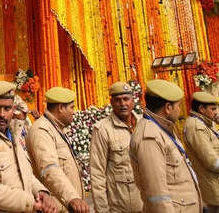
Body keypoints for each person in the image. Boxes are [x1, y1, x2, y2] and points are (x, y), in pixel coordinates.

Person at [0, 80, 60, 213]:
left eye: (7, 108)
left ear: (13, 109)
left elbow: (25, 174)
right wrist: (30, 203)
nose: (2, 114)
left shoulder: (13, 133)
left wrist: (42, 192)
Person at [130, 79, 201, 212]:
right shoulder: (149, 137)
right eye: (179, 106)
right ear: (168, 108)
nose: (180, 111)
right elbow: (158, 195)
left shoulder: (163, 128)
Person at [26, 87, 89, 213]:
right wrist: (71, 197)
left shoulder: (55, 128)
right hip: (56, 208)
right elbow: (49, 169)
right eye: (72, 107)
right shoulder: (42, 131)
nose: (74, 112)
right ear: (60, 108)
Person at [90, 81, 143, 213]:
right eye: (118, 100)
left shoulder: (144, 124)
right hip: (121, 207)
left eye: (126, 99)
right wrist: (102, 210)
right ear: (112, 102)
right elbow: (97, 174)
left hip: (148, 204)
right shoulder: (103, 129)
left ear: (133, 100)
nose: (123, 104)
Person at [183, 91, 219, 213]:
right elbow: (212, 162)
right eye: (213, 109)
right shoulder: (195, 125)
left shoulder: (206, 123)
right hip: (213, 191)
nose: (216, 112)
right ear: (201, 109)